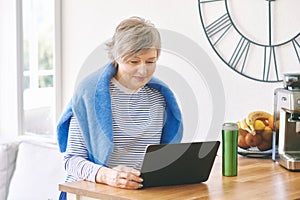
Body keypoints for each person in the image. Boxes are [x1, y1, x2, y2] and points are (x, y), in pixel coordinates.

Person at [57, 16, 183, 200]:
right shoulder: (90, 95)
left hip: (138, 193)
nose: (143, 70)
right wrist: (109, 176)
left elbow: (161, 158)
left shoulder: (160, 98)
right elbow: (71, 161)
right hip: (93, 192)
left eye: (150, 61)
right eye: (134, 61)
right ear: (117, 57)